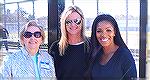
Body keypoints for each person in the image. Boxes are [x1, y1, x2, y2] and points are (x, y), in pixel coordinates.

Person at [87, 14, 137, 80]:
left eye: (108, 30)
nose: (104, 35)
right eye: (99, 31)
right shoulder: (94, 53)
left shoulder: (124, 56)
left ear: (114, 32)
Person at [49, 5, 90, 80]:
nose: (73, 24)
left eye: (77, 21)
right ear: (63, 24)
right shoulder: (56, 47)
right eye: (68, 21)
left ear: (82, 21)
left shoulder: (91, 45)